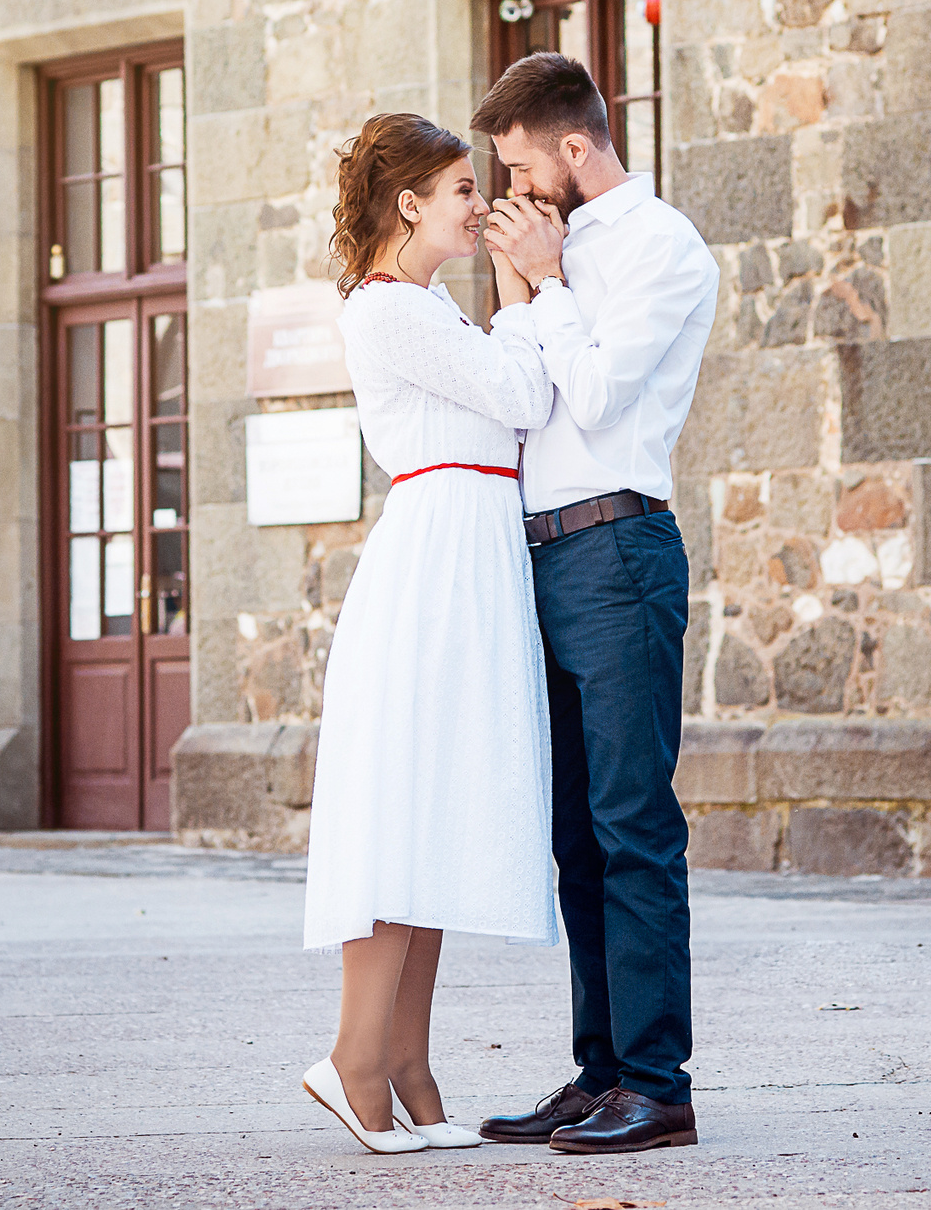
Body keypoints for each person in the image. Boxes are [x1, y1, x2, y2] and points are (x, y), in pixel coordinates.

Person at [470, 52, 720, 1155]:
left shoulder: (661, 244)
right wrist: (529, 292)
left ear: (575, 149)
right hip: (543, 556)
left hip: (619, 549)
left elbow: (606, 388)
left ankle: (659, 1086)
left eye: (522, 167)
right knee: (574, 835)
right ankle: (599, 1071)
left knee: (631, 826)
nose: (513, 191)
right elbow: (524, 398)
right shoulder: (552, 259)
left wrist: (547, 285)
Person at [298, 112, 560, 1155]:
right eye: (461, 188)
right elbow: (523, 394)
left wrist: (508, 297)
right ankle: (356, 1057)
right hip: (436, 565)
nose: (479, 203)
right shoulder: (392, 308)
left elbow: (505, 399)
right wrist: (530, 287)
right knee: (404, 809)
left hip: (467, 556)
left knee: (440, 809)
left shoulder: (428, 307)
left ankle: (406, 1059)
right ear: (408, 203)